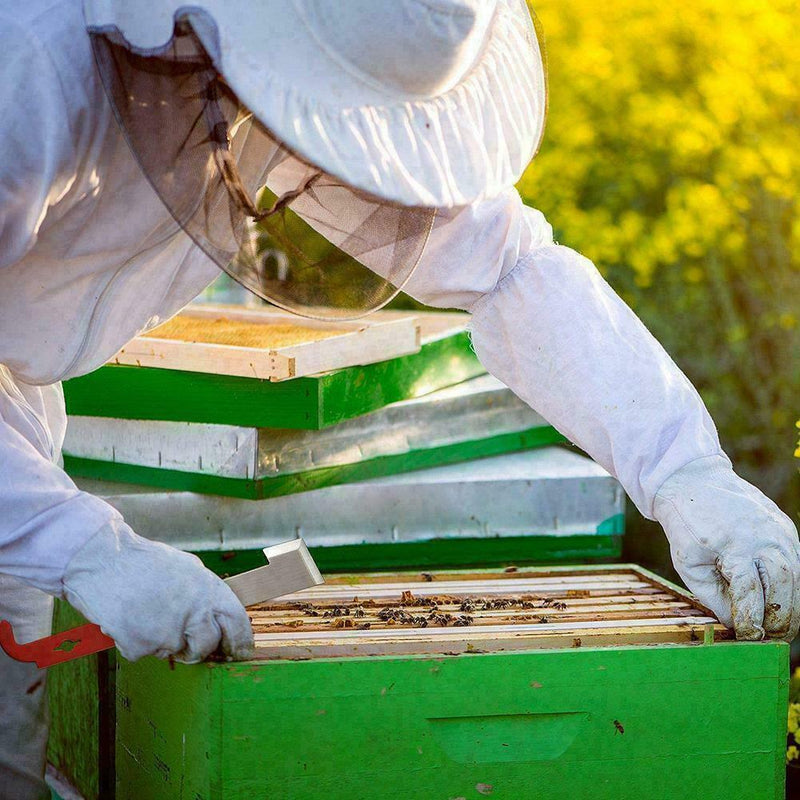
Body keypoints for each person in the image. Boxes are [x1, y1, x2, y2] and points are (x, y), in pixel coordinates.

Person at [1, 0, 798, 797]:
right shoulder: (27, 68)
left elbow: (508, 268)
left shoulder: (311, 51)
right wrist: (83, 546)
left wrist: (686, 468)